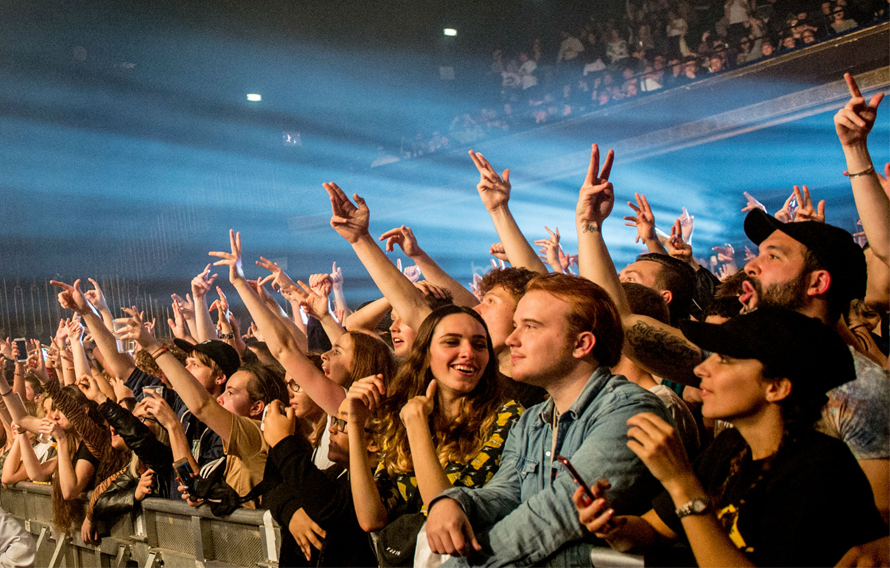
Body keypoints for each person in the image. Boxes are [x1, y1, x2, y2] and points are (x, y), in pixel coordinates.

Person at [574, 308, 887, 567]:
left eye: (723, 359)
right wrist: (614, 526)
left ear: (776, 386)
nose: (701, 369)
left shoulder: (821, 469)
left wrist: (681, 481)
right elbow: (654, 529)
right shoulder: (732, 446)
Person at [425, 274, 670, 566]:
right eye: (515, 326)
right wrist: (453, 501)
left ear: (582, 344)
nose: (510, 339)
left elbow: (556, 514)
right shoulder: (532, 421)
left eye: (530, 326)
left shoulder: (629, 410)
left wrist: (461, 567)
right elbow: (505, 494)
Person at [346, 306, 521, 561]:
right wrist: (354, 423)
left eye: (479, 345)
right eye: (452, 342)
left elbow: (446, 516)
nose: (468, 353)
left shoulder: (507, 416)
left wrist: (417, 428)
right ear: (426, 354)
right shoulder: (405, 413)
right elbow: (371, 518)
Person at [118, 310, 289, 506]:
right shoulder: (200, 420)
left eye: (231, 392)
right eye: (186, 363)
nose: (221, 399)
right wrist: (89, 311)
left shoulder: (254, 434)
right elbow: (195, 488)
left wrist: (153, 346)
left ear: (257, 406)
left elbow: (204, 405)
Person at [260, 399, 378, 567]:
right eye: (334, 420)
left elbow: (328, 503)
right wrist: (291, 511)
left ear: (373, 442)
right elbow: (275, 489)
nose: (332, 428)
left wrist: (283, 442)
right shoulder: (336, 473)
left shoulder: (377, 484)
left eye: (344, 423)